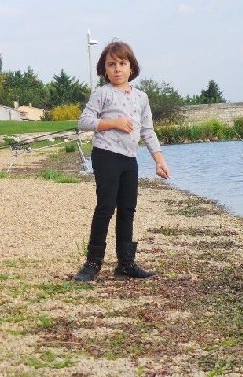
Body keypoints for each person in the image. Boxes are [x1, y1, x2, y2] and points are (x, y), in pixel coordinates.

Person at [74, 41, 170, 282]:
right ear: (104, 69)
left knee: (127, 209)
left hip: (130, 159)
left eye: (123, 64)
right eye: (111, 64)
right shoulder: (102, 94)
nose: (117, 69)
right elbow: (84, 122)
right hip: (106, 155)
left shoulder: (141, 97)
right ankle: (93, 263)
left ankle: (126, 263)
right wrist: (112, 123)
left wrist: (159, 160)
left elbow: (147, 130)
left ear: (131, 68)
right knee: (105, 208)